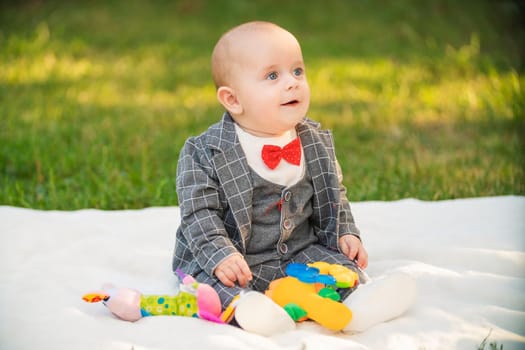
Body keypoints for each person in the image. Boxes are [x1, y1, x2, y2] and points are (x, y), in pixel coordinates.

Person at [172, 21, 415, 335]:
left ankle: (358, 307)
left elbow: (333, 195)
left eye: (297, 71)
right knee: (210, 286)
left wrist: (345, 233)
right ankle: (250, 311)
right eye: (273, 76)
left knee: (337, 271)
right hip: (235, 257)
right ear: (233, 99)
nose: (292, 83)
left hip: (299, 251)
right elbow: (199, 215)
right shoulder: (203, 152)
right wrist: (222, 255)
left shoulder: (314, 140)